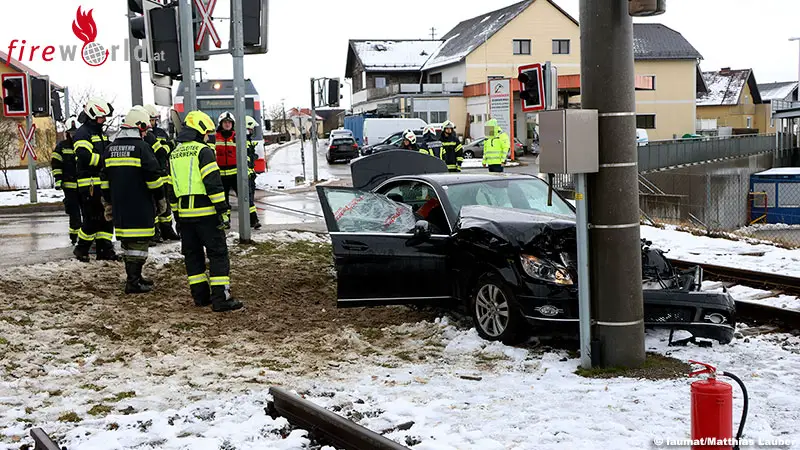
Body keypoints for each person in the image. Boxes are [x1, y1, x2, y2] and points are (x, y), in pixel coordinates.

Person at [169, 110, 244, 312]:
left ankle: (200, 297)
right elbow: (213, 184)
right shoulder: (204, 151)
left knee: (193, 256)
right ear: (199, 131)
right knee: (218, 254)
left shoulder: (174, 153)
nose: (208, 137)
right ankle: (221, 298)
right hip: (207, 214)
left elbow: (171, 188)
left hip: (185, 216)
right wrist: (223, 211)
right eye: (206, 133)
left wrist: (176, 215)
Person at [100, 107, 166, 293]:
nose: (145, 134)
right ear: (139, 127)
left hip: (120, 205)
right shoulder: (142, 148)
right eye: (145, 130)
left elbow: (104, 179)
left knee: (128, 243)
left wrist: (108, 202)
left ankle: (134, 276)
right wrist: (160, 198)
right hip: (140, 205)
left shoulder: (110, 149)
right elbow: (153, 177)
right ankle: (133, 282)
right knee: (139, 244)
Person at [73, 97, 118, 262]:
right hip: (89, 183)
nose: (104, 120)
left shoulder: (99, 133)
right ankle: (81, 248)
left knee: (106, 218)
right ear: (92, 115)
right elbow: (84, 155)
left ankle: (105, 249)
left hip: (101, 182)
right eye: (101, 117)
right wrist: (104, 161)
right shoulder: (83, 133)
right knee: (92, 218)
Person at [145, 104, 180, 241]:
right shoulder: (144, 135)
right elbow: (160, 152)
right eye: (150, 120)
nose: (152, 122)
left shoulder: (160, 133)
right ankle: (155, 232)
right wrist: (168, 146)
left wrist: (168, 146)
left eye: (154, 120)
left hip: (164, 174)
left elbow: (167, 151)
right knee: (153, 205)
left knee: (165, 204)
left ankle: (167, 230)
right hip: (151, 175)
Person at [52, 117, 82, 244]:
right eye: (71, 132)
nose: (73, 135)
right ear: (67, 133)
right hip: (69, 186)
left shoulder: (83, 145)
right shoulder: (62, 147)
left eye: (75, 132)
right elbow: (56, 164)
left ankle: (85, 236)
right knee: (74, 212)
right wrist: (58, 179)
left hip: (84, 185)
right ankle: (74, 236)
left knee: (87, 211)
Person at [245, 115, 262, 230]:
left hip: (250, 174)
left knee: (250, 198)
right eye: (251, 129)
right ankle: (253, 220)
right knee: (248, 198)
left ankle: (252, 220)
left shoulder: (247, 140)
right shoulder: (243, 140)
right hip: (246, 175)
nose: (252, 131)